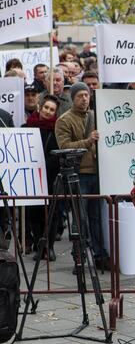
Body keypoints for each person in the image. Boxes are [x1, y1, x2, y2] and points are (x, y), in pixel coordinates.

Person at [54, 82, 110, 269]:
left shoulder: (96, 116)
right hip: (80, 175)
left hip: (98, 173)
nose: (84, 98)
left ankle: (99, 254)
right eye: (80, 96)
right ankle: (78, 255)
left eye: (86, 95)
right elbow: (64, 147)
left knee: (96, 218)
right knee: (80, 218)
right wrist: (87, 141)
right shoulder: (64, 120)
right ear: (73, 98)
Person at [23, 95, 60, 261]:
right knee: (34, 214)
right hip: (31, 177)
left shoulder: (56, 131)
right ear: (40, 107)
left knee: (50, 213)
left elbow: (58, 155)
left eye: (52, 110)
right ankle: (40, 244)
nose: (48, 111)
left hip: (50, 177)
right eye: (46, 107)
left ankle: (49, 246)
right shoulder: (26, 127)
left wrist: (43, 164)